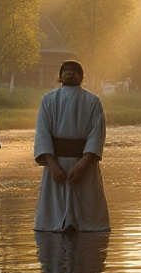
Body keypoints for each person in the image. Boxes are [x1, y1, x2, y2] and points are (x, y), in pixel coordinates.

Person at [33, 60, 110, 233]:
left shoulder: (93, 101)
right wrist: (52, 165)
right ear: (59, 76)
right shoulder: (48, 100)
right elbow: (42, 134)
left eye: (74, 71)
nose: (69, 74)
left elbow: (97, 135)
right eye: (66, 71)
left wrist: (83, 164)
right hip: (56, 164)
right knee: (52, 221)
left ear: (82, 77)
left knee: (89, 224)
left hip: (84, 163)